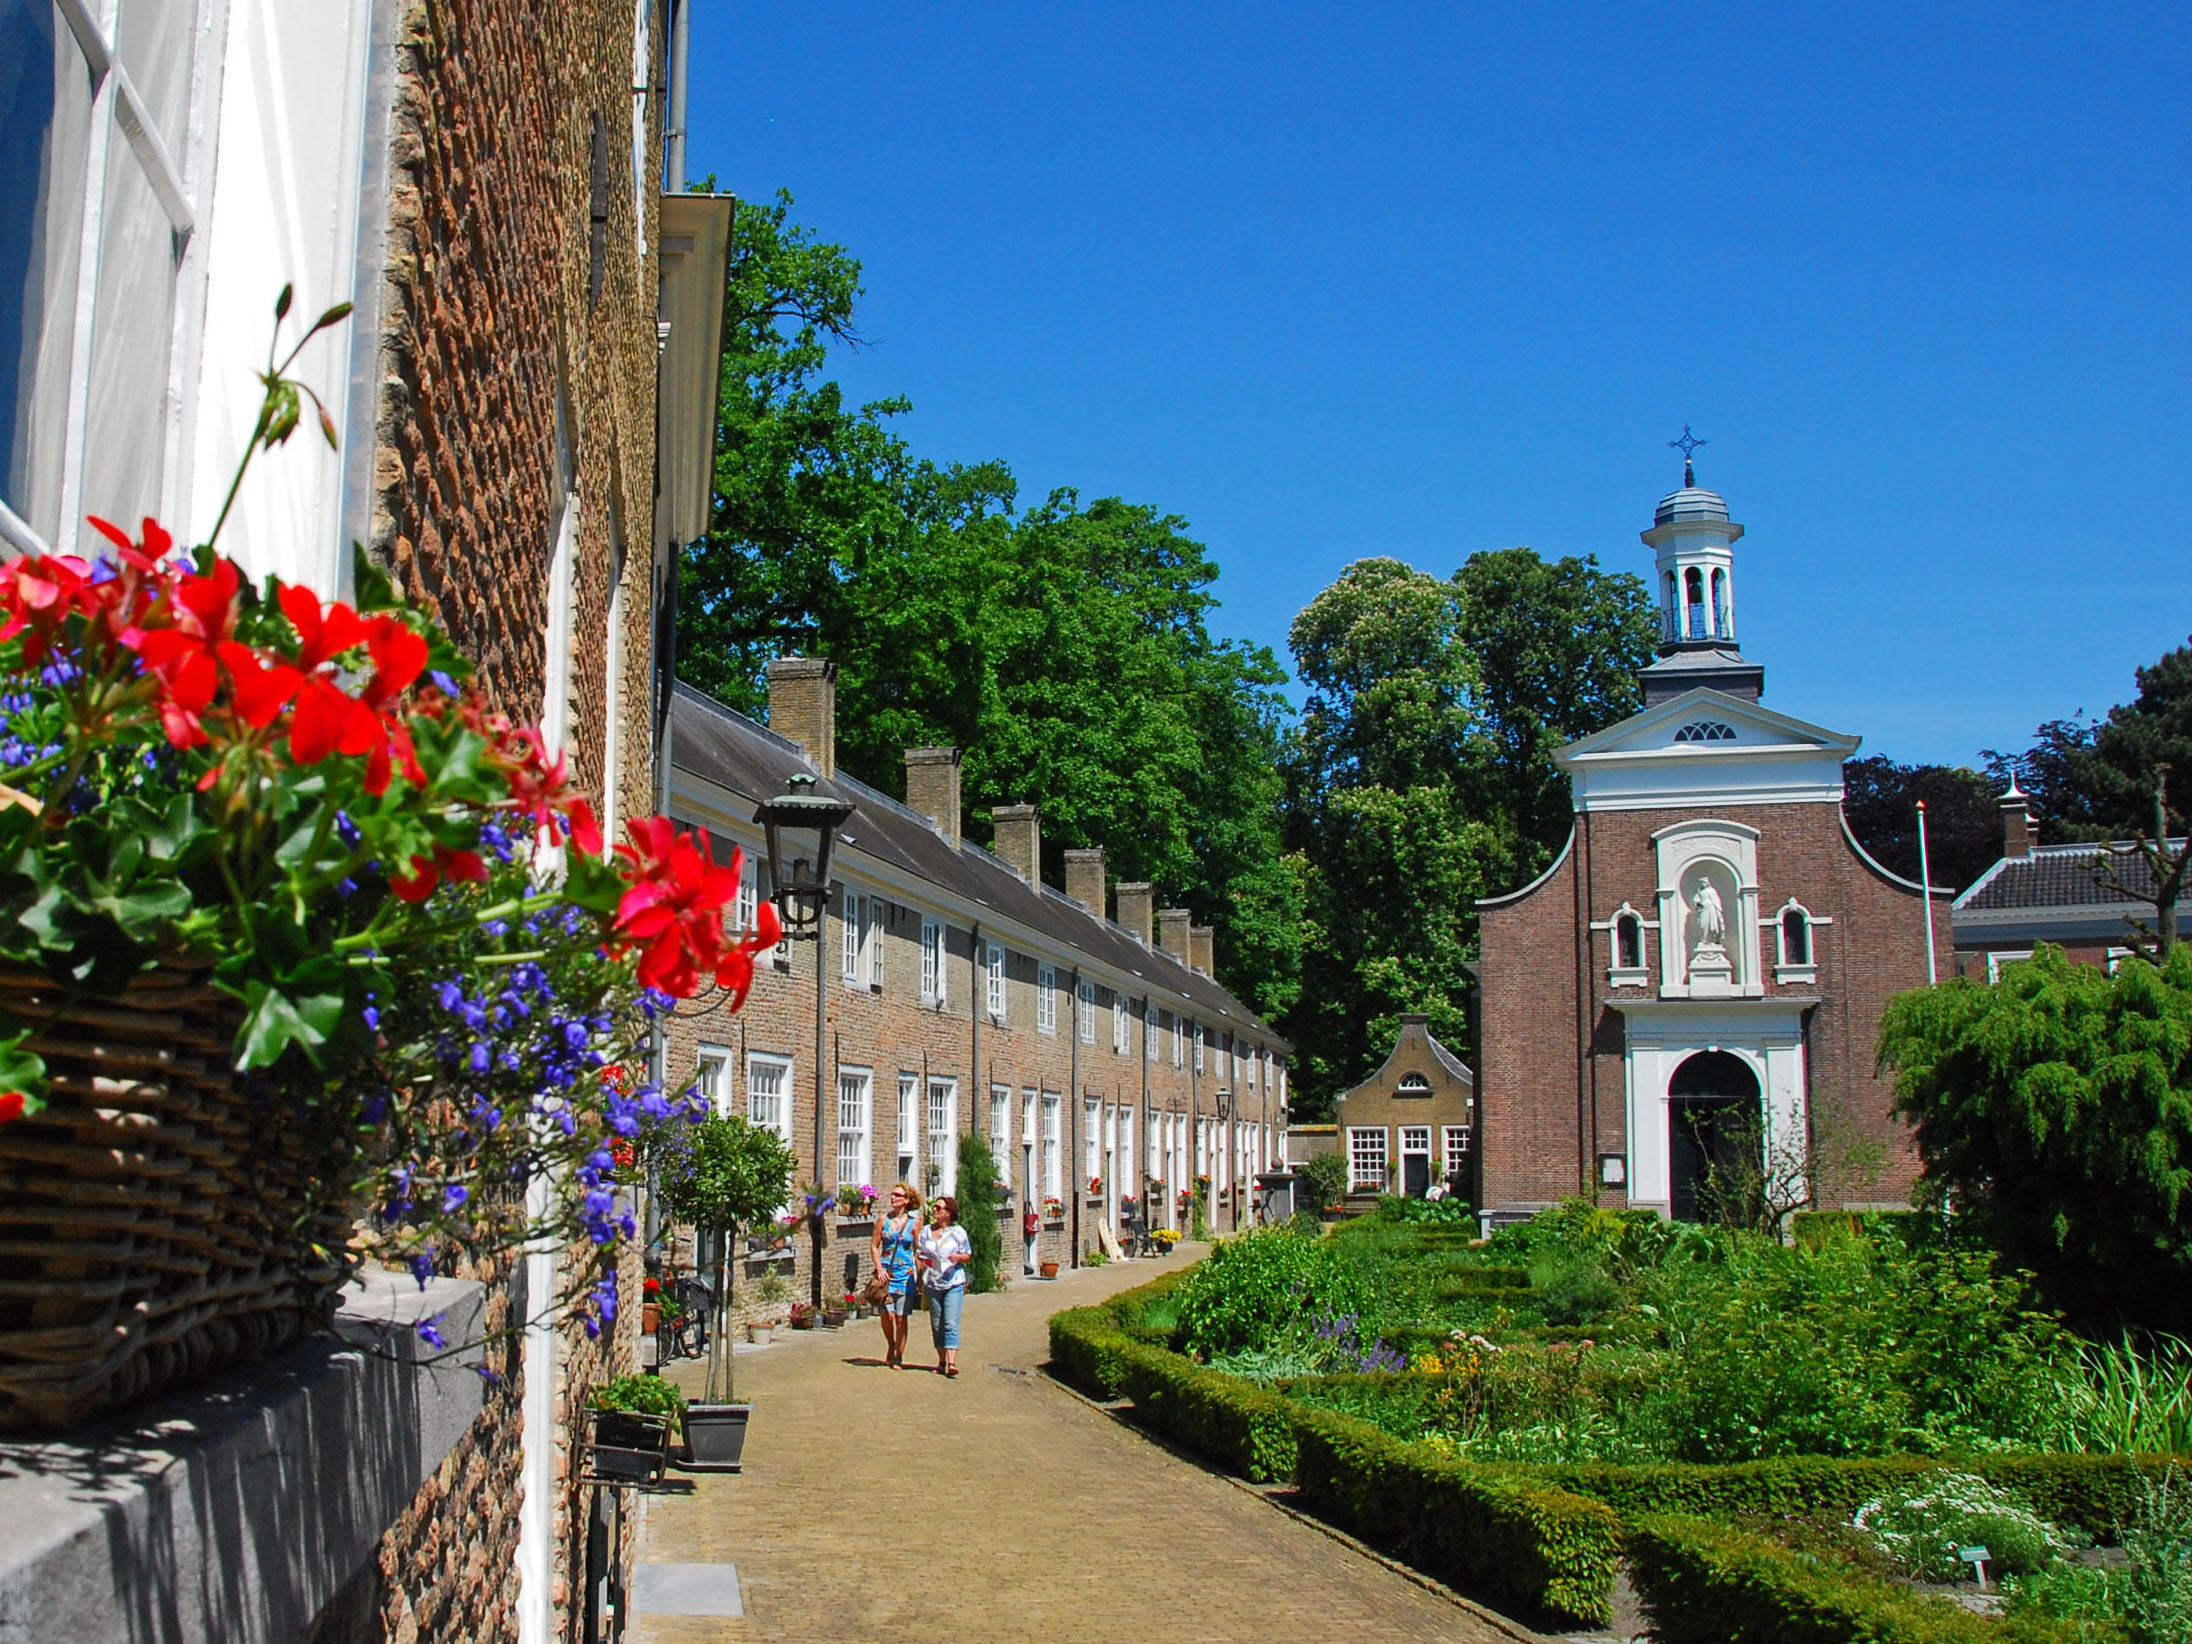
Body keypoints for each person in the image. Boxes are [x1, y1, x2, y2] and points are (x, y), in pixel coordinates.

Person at [916, 1193, 972, 1377]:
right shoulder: (925, 1231)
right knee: (936, 1323)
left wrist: (958, 1257)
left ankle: (952, 1362)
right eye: (934, 1208)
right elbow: (919, 1252)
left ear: (949, 1212)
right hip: (932, 1281)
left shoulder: (958, 1232)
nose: (935, 1211)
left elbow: (967, 1255)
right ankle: (941, 1361)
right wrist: (922, 1262)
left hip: (953, 1281)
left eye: (939, 1208)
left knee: (950, 1322)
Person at [870, 1183, 923, 1369]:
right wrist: (879, 1268)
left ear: (907, 1201)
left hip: (905, 1275)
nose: (893, 1198)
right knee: (887, 1316)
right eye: (892, 1195)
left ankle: (899, 1355)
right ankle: (890, 1344)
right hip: (886, 1275)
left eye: (898, 1196)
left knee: (901, 1318)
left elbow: (918, 1250)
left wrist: (920, 1275)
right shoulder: (883, 1220)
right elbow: (874, 1246)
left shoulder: (915, 1223)